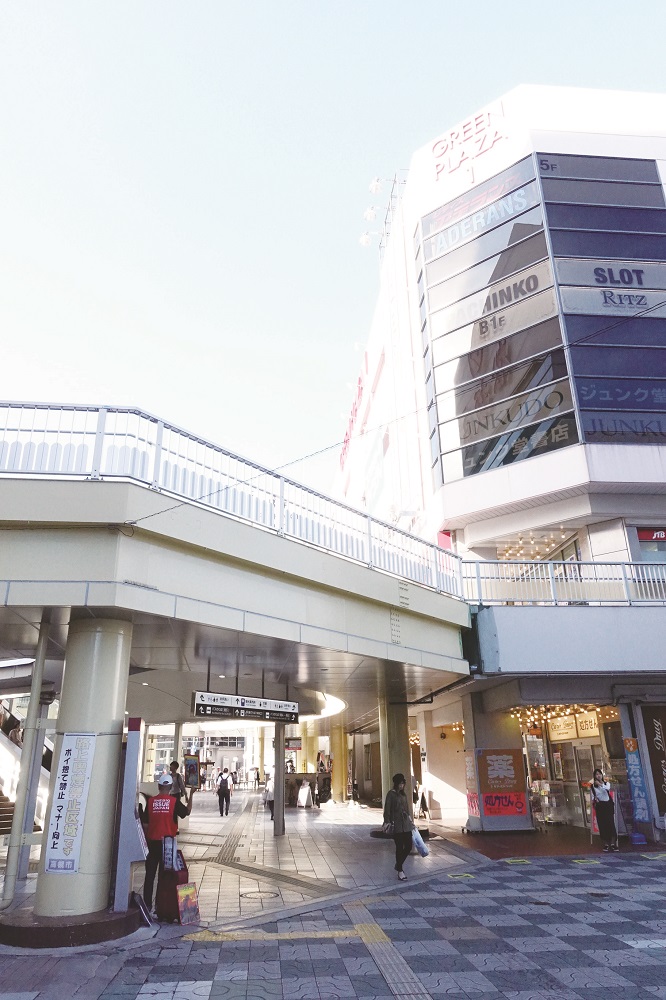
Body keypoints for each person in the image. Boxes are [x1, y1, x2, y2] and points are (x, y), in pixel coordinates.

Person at [141, 774, 195, 913]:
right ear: (170, 788)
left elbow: (146, 825)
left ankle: (147, 906)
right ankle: (161, 906)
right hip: (168, 845)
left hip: (152, 843)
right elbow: (187, 812)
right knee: (164, 877)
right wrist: (191, 794)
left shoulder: (151, 802)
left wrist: (147, 840)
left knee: (149, 876)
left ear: (159, 787)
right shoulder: (173, 802)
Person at [383, 772, 414, 880]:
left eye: (403, 784)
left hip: (406, 824)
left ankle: (398, 865)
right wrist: (386, 821)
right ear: (396, 784)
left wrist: (411, 820)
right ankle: (400, 871)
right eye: (400, 784)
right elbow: (387, 809)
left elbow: (407, 809)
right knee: (399, 847)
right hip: (396, 825)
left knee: (409, 846)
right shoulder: (391, 794)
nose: (402, 786)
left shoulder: (403, 794)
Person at [590, 768, 618, 852]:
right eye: (596, 774)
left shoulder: (606, 783)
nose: (598, 776)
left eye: (599, 774)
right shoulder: (592, 787)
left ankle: (613, 843)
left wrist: (601, 784)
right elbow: (592, 797)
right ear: (594, 776)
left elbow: (607, 789)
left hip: (607, 805)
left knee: (610, 823)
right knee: (602, 825)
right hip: (600, 806)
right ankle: (606, 844)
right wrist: (595, 800)